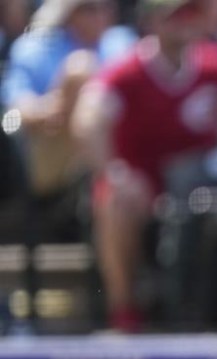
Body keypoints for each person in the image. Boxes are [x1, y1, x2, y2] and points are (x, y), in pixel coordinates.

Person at [71, 0, 217, 332]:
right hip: (144, 187)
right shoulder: (127, 70)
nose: (184, 21)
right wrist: (114, 172)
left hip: (202, 188)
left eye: (192, 13)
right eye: (174, 14)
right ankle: (125, 310)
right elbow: (87, 121)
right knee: (115, 199)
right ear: (152, 20)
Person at [2, 0, 135, 212]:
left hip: (119, 149)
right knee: (80, 71)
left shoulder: (123, 43)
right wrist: (49, 108)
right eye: (89, 8)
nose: (102, 14)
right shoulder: (35, 48)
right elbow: (13, 114)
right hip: (51, 153)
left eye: (107, 6)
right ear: (68, 14)